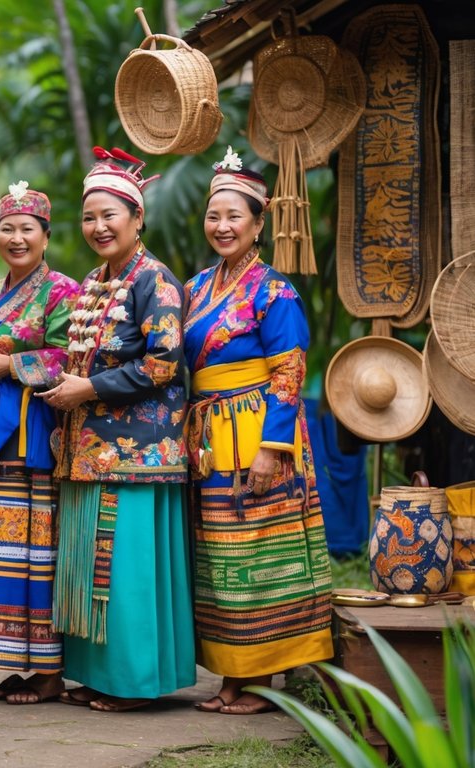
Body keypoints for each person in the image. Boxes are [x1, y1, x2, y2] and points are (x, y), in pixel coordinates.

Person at [39, 146, 193, 713]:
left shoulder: (156, 281)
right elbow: (86, 357)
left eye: (110, 215)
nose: (98, 227)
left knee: (123, 567)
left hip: (138, 454)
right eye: (89, 217)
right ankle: (99, 674)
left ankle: (133, 682)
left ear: (137, 217)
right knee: (89, 561)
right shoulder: (96, 279)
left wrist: (88, 389)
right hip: (87, 448)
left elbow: (162, 364)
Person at [184, 148, 333, 716]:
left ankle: (268, 678)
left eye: (234, 217)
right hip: (210, 437)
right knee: (221, 558)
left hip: (257, 430)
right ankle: (232, 674)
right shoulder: (198, 286)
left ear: (258, 222)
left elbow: (290, 372)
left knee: (260, 551)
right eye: (214, 216)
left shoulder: (275, 292)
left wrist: (274, 449)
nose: (222, 227)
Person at [0, 181, 79, 704]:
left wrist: (9, 364)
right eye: (7, 228)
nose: (16, 237)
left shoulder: (64, 292)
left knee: (34, 549)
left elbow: (71, 356)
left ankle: (47, 669)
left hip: (33, 434)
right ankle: (8, 658)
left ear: (46, 237)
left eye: (27, 228)